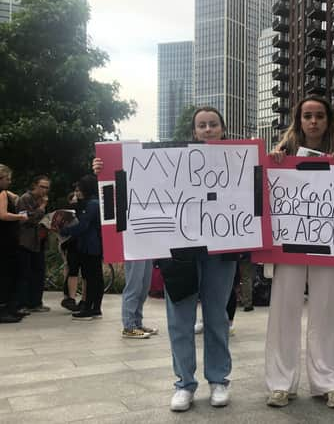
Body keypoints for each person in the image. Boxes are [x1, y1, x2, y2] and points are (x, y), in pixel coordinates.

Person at [265, 96, 334, 409]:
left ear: (328, 121)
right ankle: (280, 383)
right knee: (283, 313)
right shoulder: (280, 155)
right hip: (289, 244)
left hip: (330, 246)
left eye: (319, 116)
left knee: (327, 312)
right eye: (307, 116)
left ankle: (329, 382)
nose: (313, 122)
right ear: (298, 120)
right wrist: (272, 161)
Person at [164, 106, 236, 412]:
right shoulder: (171, 160)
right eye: (202, 125)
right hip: (179, 250)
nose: (207, 129)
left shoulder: (239, 161)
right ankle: (184, 384)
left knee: (216, 316)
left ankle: (218, 380)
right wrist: (103, 167)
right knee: (179, 318)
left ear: (222, 128)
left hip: (221, 248)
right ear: (194, 132)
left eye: (213, 124)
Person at [91, 162, 159, 339]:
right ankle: (129, 325)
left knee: (143, 286)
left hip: (147, 243)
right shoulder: (125, 193)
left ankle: (137, 322)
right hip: (132, 244)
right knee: (134, 286)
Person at [57, 175, 104, 321]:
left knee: (91, 277)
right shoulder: (93, 202)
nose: (77, 193)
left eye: (80, 190)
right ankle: (95, 308)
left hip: (90, 246)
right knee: (95, 277)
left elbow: (83, 225)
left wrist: (63, 231)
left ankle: (88, 308)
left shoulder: (92, 204)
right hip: (93, 245)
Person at [16, 175, 51, 313]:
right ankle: (22, 304)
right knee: (25, 273)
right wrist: (42, 207)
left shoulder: (43, 199)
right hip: (26, 241)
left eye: (47, 188)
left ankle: (36, 302)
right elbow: (25, 219)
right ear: (35, 185)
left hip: (39, 240)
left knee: (39, 272)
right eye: (42, 187)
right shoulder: (25, 198)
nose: (44, 190)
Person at [0, 164, 29, 323]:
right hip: (5, 240)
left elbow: (15, 197)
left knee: (8, 273)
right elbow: (3, 215)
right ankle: (5, 309)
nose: (9, 182)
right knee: (8, 274)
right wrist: (20, 217)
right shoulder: (2, 193)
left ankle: (9, 307)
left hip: (5, 239)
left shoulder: (4, 193)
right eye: (7, 179)